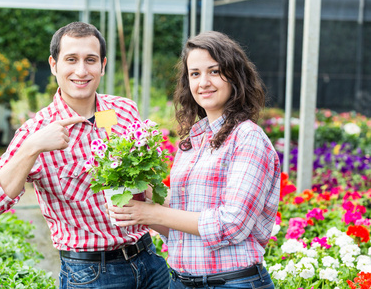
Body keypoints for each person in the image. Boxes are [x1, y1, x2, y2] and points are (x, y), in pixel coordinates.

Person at [0, 21, 169, 289]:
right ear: (53, 64)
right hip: (92, 275)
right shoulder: (36, 131)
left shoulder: (124, 110)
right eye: (71, 59)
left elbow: (148, 181)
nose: (81, 71)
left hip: (150, 261)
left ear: (102, 65)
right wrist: (33, 147)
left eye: (90, 60)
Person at [109, 31, 281, 289]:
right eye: (195, 74)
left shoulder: (247, 137)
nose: (204, 82)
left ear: (235, 75)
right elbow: (181, 228)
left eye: (214, 71)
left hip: (232, 282)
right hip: (181, 281)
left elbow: (232, 224)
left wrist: (154, 211)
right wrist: (140, 204)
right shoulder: (193, 140)